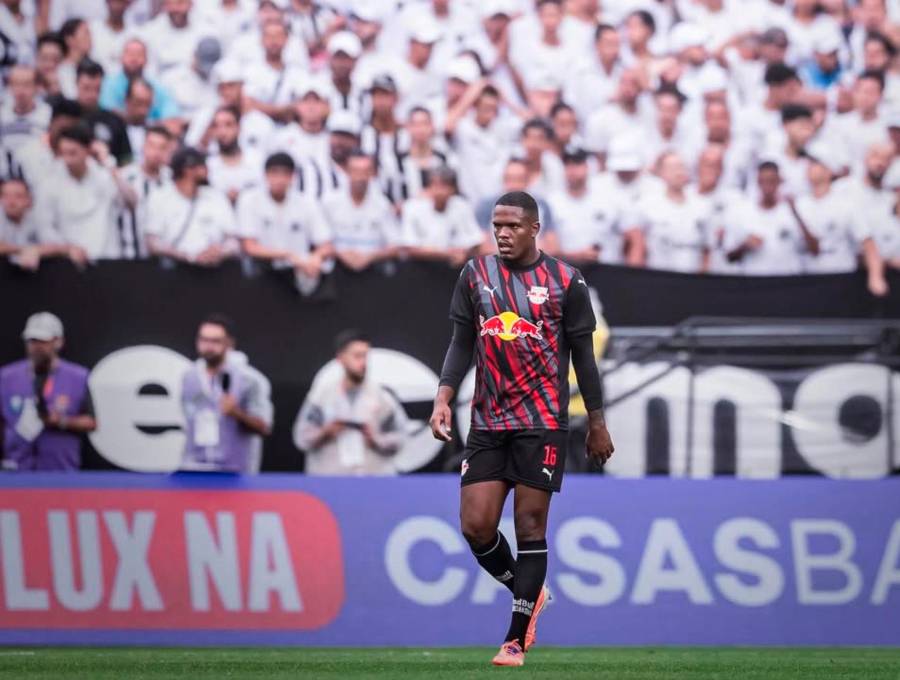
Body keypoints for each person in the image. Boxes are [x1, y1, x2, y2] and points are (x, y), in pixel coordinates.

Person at [429, 190, 614, 667]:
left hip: (543, 423)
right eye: (497, 227)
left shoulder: (566, 281)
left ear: (534, 228)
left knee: (530, 526)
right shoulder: (475, 275)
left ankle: (515, 638)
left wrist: (596, 422)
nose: (503, 234)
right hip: (489, 420)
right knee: (475, 526)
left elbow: (584, 359)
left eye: (512, 226)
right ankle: (529, 593)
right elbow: (460, 342)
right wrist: (444, 396)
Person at [294, 329, 407, 475]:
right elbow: (302, 438)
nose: (363, 362)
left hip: (373, 481)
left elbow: (400, 437)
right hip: (328, 481)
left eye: (365, 356)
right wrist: (325, 432)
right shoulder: (321, 396)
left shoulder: (382, 398)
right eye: (357, 356)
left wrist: (376, 439)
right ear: (340, 358)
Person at [0, 312, 96, 471]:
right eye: (32, 341)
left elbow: (92, 422)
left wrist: (60, 421)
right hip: (16, 469)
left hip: (60, 470)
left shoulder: (78, 377)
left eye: (43, 341)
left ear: (58, 342)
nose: (37, 346)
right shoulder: (6, 376)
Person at [180, 314, 273, 473]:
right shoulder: (189, 378)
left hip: (235, 470)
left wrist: (236, 413)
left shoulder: (250, 380)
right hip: (194, 466)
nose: (208, 346)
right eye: (203, 340)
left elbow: (264, 427)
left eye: (215, 341)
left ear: (229, 343)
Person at [237, 151, 334, 295]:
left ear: (293, 177)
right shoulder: (249, 199)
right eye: (274, 173)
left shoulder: (306, 202)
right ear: (265, 175)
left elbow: (327, 245)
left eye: (285, 174)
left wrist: (316, 257)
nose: (280, 179)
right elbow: (249, 246)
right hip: (264, 270)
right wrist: (287, 255)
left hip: (297, 272)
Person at [145, 146, 237, 266]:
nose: (206, 169)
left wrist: (219, 252)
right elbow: (152, 243)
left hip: (213, 270)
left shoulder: (216, 197)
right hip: (175, 270)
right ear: (187, 170)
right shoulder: (160, 197)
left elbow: (234, 242)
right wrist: (186, 256)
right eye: (202, 165)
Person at [323, 150, 400, 272]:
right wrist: (341, 253)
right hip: (337, 267)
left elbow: (395, 246)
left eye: (365, 171)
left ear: (372, 173)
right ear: (346, 171)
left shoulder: (382, 204)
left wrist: (370, 256)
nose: (360, 177)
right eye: (355, 171)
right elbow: (320, 241)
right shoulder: (330, 202)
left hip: (372, 267)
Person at [400, 165, 484, 266]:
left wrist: (465, 253)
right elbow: (409, 248)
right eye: (434, 185)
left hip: (454, 266)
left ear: (453, 189)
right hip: (420, 266)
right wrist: (447, 254)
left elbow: (476, 241)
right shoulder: (412, 207)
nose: (438, 191)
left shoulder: (462, 206)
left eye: (444, 186)